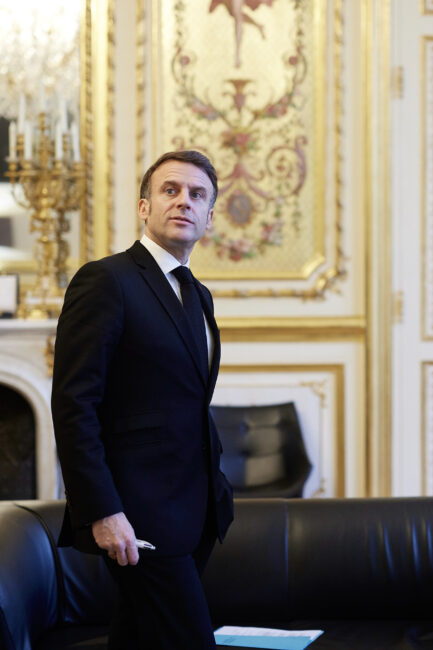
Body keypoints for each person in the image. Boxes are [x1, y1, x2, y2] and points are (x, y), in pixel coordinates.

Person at [51, 149, 233, 649]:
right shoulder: (105, 280)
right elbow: (74, 406)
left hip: (196, 513)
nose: (184, 201)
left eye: (197, 194)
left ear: (209, 218)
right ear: (144, 207)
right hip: (136, 515)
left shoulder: (198, 294)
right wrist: (102, 510)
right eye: (170, 190)